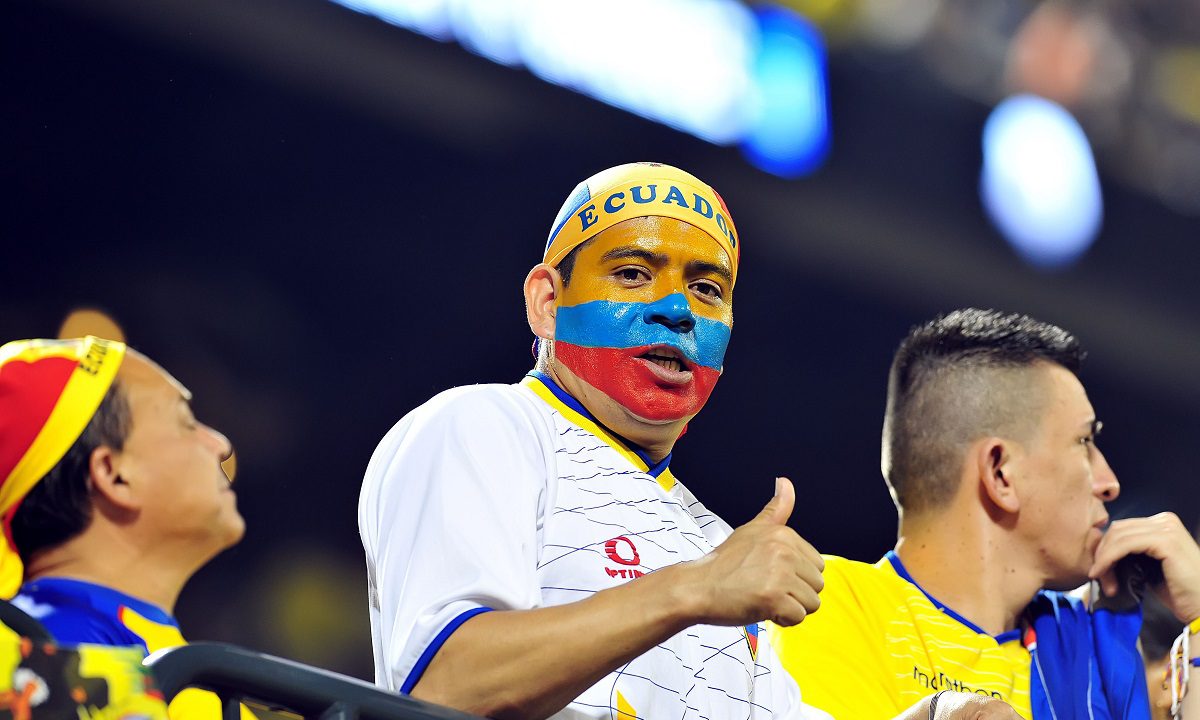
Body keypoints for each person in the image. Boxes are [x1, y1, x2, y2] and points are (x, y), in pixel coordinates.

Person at [359, 163, 1020, 720]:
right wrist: (693, 589)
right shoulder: (485, 426)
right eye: (633, 274)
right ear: (547, 302)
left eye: (706, 289)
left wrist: (935, 717)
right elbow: (446, 685)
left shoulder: (715, 542)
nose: (677, 310)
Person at [769, 308, 1200, 719]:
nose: (1109, 483)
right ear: (1000, 472)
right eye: (1084, 443)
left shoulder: (1092, 642)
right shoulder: (825, 603)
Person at [0, 336, 245, 717]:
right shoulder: (50, 661)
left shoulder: (162, 658)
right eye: (186, 423)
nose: (220, 444)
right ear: (113, 474)